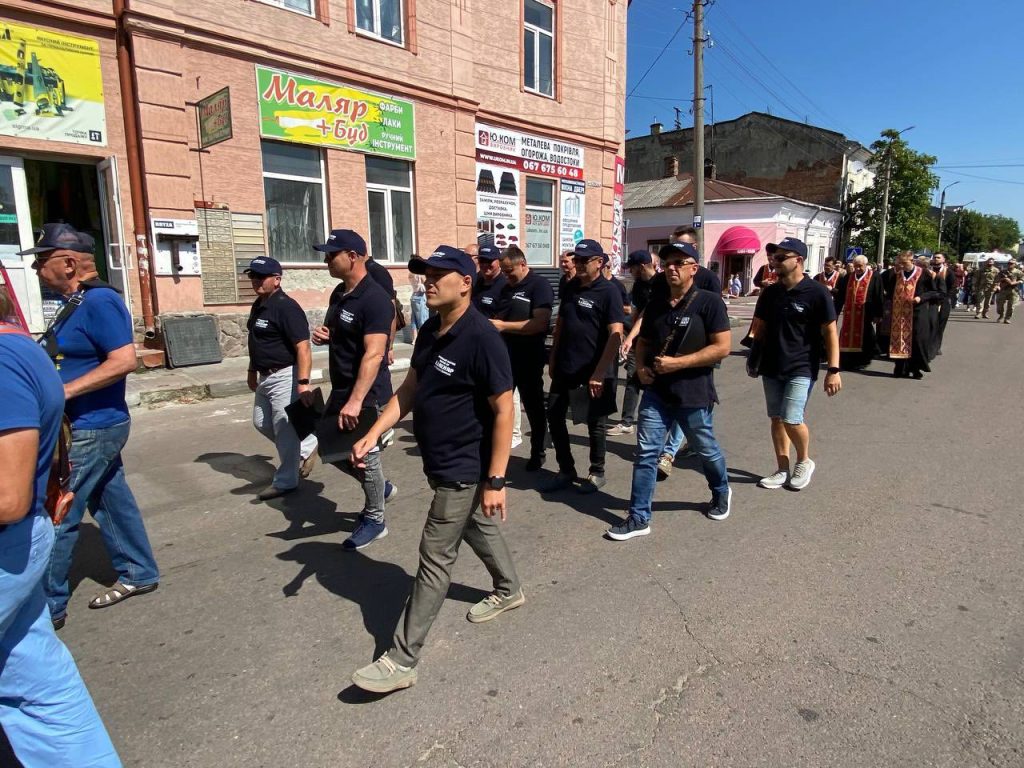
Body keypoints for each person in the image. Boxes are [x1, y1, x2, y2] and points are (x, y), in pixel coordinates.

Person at [349, 246, 522, 694]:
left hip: (463, 464)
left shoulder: (482, 338)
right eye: (426, 273)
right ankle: (509, 589)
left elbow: (504, 410)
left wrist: (496, 480)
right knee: (475, 525)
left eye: (439, 274)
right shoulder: (430, 328)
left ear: (465, 283)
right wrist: (374, 432)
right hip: (439, 459)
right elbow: (410, 388)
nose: (428, 280)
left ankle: (402, 659)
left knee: (434, 556)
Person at [0, 286, 122, 766]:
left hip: (13, 537)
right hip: (25, 533)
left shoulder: (7, 356)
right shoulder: (23, 346)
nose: (38, 270)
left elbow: (8, 497)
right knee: (36, 682)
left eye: (45, 259)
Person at [24, 223, 159, 627]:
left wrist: (62, 392)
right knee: (111, 499)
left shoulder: (100, 301)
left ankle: (47, 609)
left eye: (41, 261)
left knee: (60, 512)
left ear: (68, 263)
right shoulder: (77, 301)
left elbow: (123, 361)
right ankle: (139, 571)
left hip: (94, 424)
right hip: (85, 423)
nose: (35, 269)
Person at [607, 243, 733, 540]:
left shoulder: (710, 303)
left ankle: (720, 489)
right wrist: (640, 369)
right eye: (667, 263)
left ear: (694, 268)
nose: (671, 268)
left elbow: (722, 347)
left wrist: (678, 363)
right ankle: (639, 517)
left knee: (706, 449)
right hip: (657, 393)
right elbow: (644, 342)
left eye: (679, 262)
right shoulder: (657, 304)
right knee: (646, 453)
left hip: (694, 393)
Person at [312, 231, 397, 550]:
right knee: (331, 448)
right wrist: (326, 336)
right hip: (342, 387)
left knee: (366, 456)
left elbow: (374, 353)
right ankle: (381, 487)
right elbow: (343, 333)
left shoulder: (374, 298)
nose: (326, 260)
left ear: (352, 256)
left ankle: (376, 520)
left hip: (367, 393)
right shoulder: (339, 293)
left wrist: (357, 400)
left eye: (331, 255)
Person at [749, 237, 841, 491]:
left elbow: (830, 333)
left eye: (781, 258)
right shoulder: (770, 293)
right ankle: (782, 469)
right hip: (771, 365)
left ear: (798, 260)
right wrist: (754, 358)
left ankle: (804, 461)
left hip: (801, 366)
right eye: (773, 257)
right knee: (777, 419)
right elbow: (760, 328)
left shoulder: (817, 292)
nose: (774, 262)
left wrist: (833, 370)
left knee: (791, 418)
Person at [544, 239, 625, 494]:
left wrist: (599, 372)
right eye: (576, 259)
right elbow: (561, 324)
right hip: (566, 366)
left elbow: (616, 334)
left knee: (595, 423)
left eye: (583, 260)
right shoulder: (570, 286)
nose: (578, 264)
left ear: (599, 262)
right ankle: (566, 469)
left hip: (594, 369)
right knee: (554, 416)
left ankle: (597, 471)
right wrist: (553, 357)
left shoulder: (609, 291)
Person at [243, 257, 318, 500]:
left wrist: (303, 383)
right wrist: (252, 370)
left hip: (285, 375)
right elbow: (256, 341)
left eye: (261, 276)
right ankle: (307, 445)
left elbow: (303, 347)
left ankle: (286, 481)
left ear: (277, 279)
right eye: (252, 276)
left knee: (283, 429)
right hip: (264, 376)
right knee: (261, 422)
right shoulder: (259, 305)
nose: (255, 280)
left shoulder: (286, 307)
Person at [492, 245, 554, 471]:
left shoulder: (539, 286)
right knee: (500, 405)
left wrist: (503, 326)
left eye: (509, 271)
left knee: (533, 406)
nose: (506, 276)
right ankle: (497, 450)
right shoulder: (505, 289)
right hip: (504, 357)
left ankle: (538, 452)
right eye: (504, 271)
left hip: (528, 356)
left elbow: (539, 324)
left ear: (523, 264)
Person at [610, 249, 658, 436]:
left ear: (643, 266)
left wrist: (630, 337)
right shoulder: (638, 285)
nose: (630, 271)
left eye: (632, 268)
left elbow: (646, 315)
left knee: (655, 383)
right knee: (633, 378)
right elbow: (636, 313)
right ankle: (626, 422)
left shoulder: (661, 284)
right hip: (639, 339)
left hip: (657, 341)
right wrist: (628, 334)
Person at [883, 250, 937, 379]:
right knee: (899, 340)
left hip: (917, 312)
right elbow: (889, 291)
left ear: (912, 261)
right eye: (899, 263)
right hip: (899, 314)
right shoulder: (896, 275)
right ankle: (900, 368)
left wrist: (921, 298)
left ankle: (915, 368)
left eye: (904, 263)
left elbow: (934, 291)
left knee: (916, 341)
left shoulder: (923, 273)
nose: (901, 266)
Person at [834, 255, 884, 370]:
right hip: (849, 314)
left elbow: (878, 295)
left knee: (865, 337)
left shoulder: (874, 276)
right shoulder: (849, 277)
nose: (857, 268)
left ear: (866, 265)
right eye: (855, 266)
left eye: (860, 266)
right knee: (846, 336)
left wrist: (878, 314)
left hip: (865, 313)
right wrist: (836, 311)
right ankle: (846, 362)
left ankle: (862, 361)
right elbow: (841, 295)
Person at [671, 226, 721, 294]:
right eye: (674, 246)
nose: (677, 250)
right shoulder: (665, 276)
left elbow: (715, 300)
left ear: (694, 247)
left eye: (682, 246)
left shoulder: (709, 278)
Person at [471, 244, 507, 318]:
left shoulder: (505, 286)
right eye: (482, 261)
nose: (485, 264)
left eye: (489, 261)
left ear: (499, 262)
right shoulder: (474, 282)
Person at [930, 253, 955, 355]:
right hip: (930, 301)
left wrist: (944, 298)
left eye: (938, 257)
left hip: (943, 302)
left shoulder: (949, 272)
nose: (936, 259)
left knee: (940, 326)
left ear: (944, 260)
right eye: (934, 257)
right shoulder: (928, 271)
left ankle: (936, 346)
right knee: (929, 324)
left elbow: (952, 288)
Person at [408, 268, 428, 344]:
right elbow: (426, 285)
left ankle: (414, 339)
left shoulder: (410, 274)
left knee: (414, 319)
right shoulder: (419, 275)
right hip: (420, 297)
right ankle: (423, 339)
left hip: (413, 296)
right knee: (422, 319)